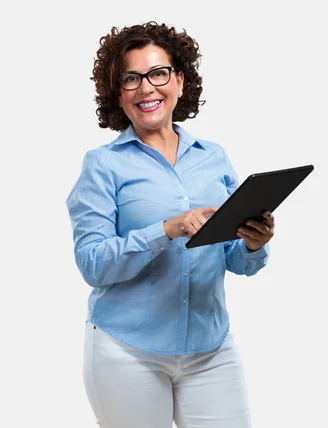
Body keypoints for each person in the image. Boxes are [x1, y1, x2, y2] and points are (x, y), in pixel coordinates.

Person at [66, 21, 274, 428]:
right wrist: (168, 229)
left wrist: (254, 242)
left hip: (210, 349)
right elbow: (92, 264)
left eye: (158, 73)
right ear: (118, 93)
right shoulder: (103, 165)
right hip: (127, 352)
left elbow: (236, 259)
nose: (147, 88)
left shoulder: (213, 157)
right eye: (131, 78)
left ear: (179, 80)